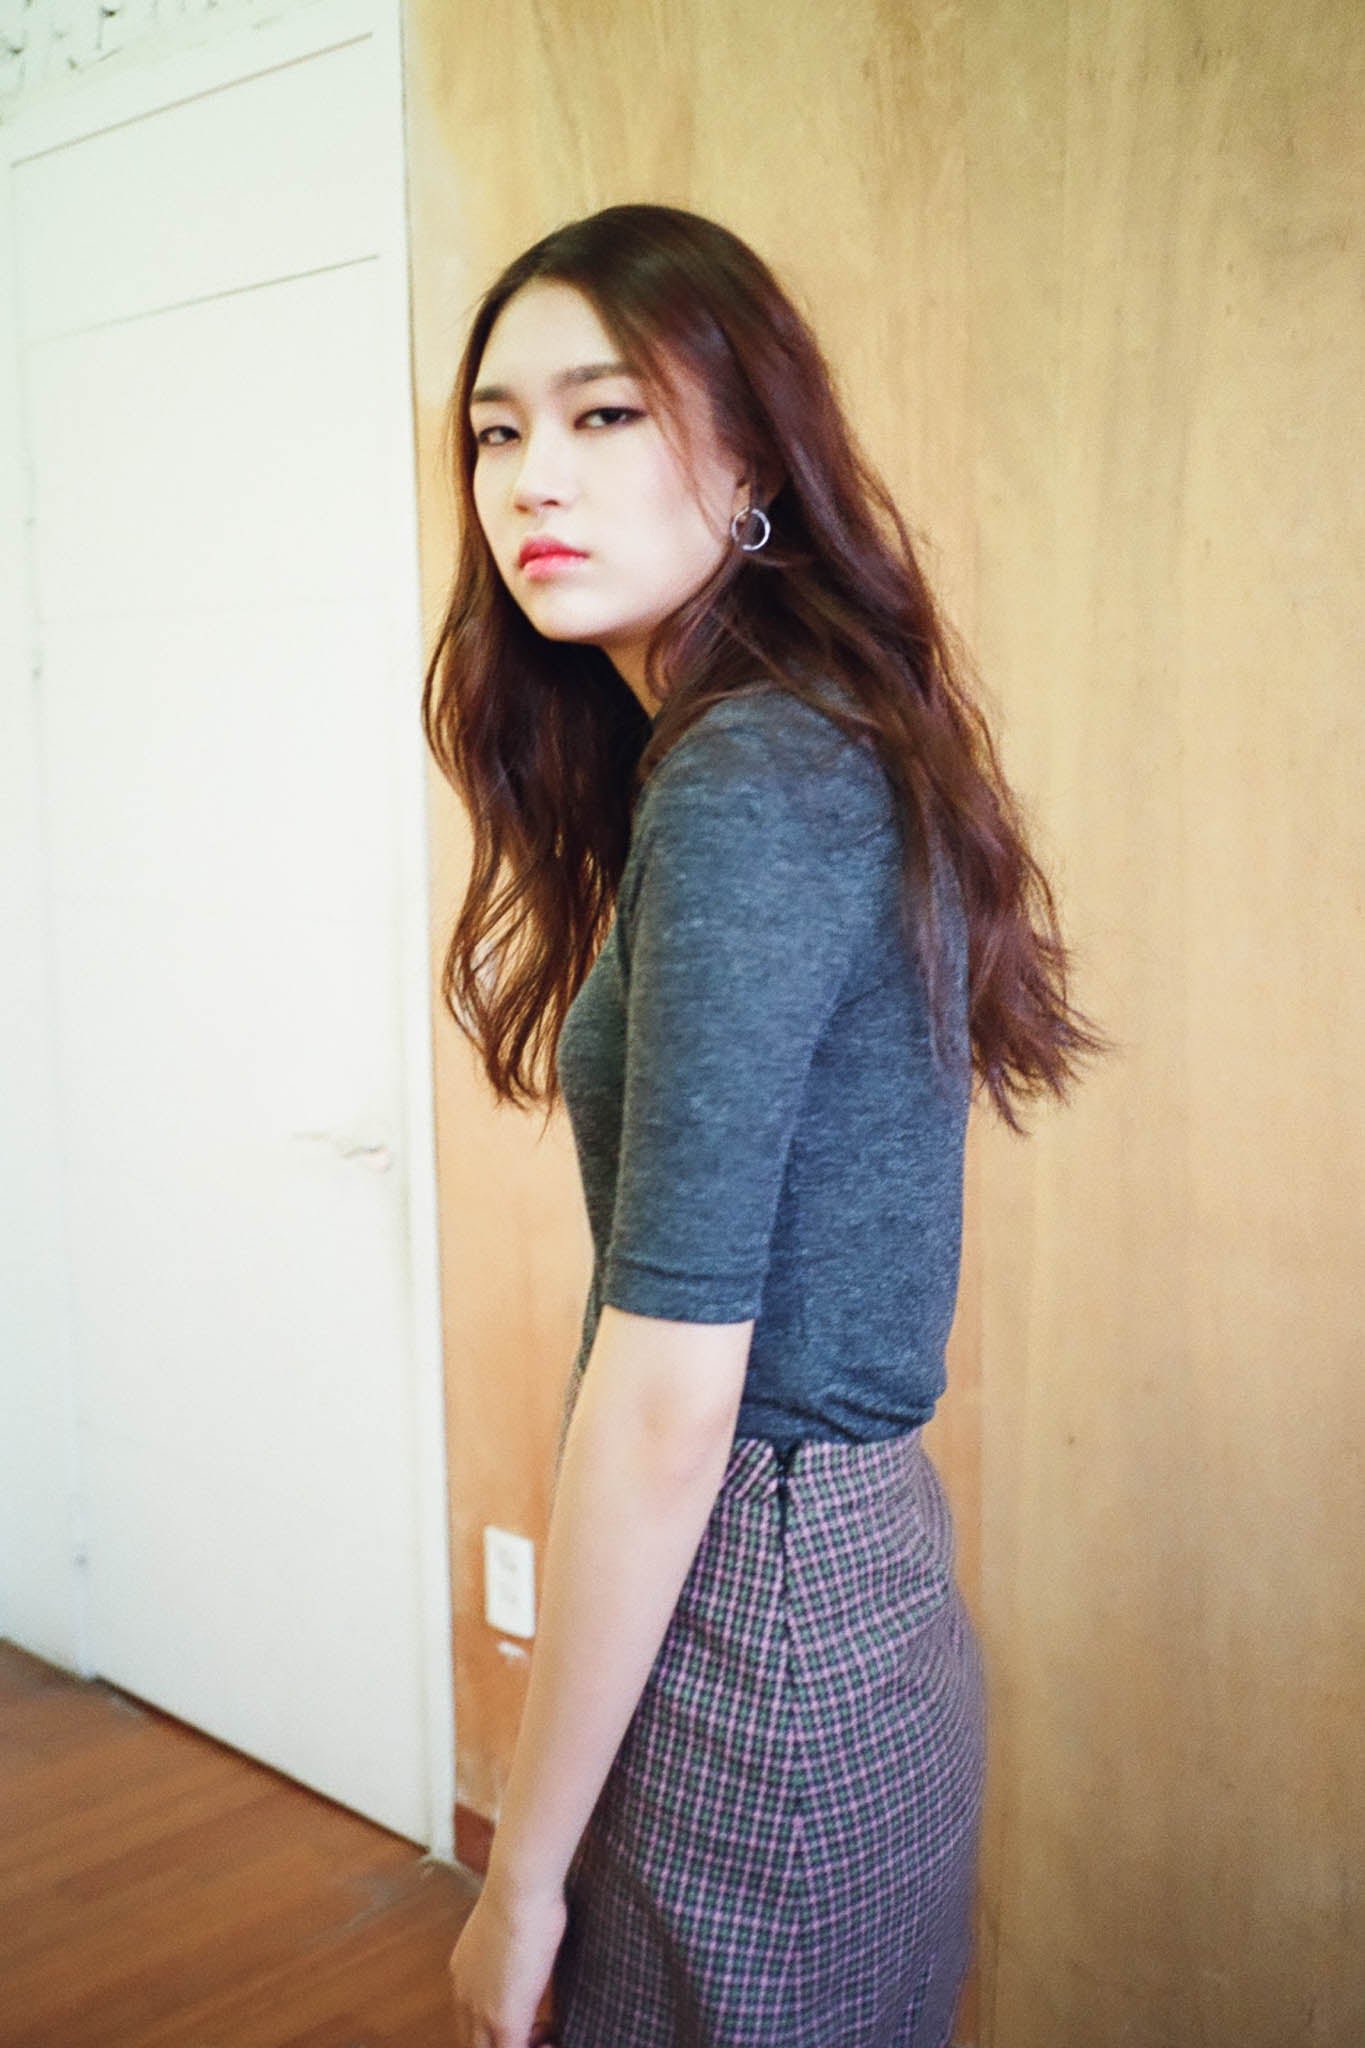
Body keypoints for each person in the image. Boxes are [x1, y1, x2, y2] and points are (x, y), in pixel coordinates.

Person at [422, 202, 1106, 2048]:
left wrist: (516, 1878)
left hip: (759, 1608)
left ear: (752, 460)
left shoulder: (752, 774)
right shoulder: (790, 739)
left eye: (604, 414)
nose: (531, 478)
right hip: (817, 1582)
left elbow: (670, 1399)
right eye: (496, 429)